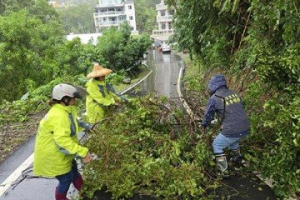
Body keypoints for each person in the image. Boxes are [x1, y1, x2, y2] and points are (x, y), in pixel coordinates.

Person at [33, 83, 93, 200]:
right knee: (65, 179)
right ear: (64, 99)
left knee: (74, 170)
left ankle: (85, 191)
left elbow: (73, 123)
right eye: (73, 98)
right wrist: (83, 151)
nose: (75, 100)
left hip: (62, 152)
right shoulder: (58, 116)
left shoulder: (65, 110)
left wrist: (85, 125)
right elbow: (63, 140)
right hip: (53, 155)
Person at [201, 74, 250, 177]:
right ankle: (238, 161)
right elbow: (237, 109)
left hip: (232, 129)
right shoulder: (234, 93)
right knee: (233, 141)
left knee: (217, 145)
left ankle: (224, 171)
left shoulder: (214, 98)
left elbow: (208, 116)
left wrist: (204, 125)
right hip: (245, 127)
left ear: (212, 86)